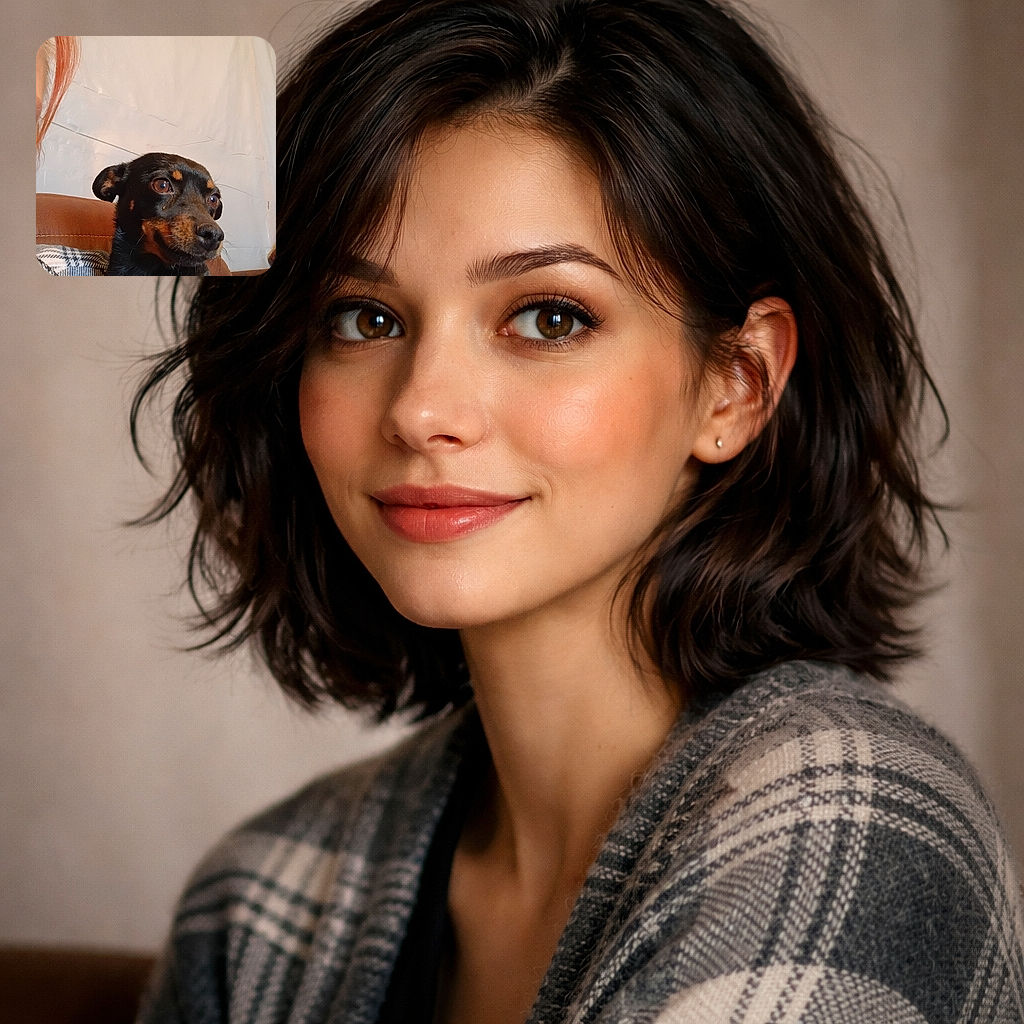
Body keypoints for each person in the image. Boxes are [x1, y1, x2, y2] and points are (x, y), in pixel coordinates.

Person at [133, 0, 1024, 1021]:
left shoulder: (857, 820)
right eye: (362, 316)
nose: (422, 408)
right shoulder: (255, 904)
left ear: (735, 383)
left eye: (548, 317)